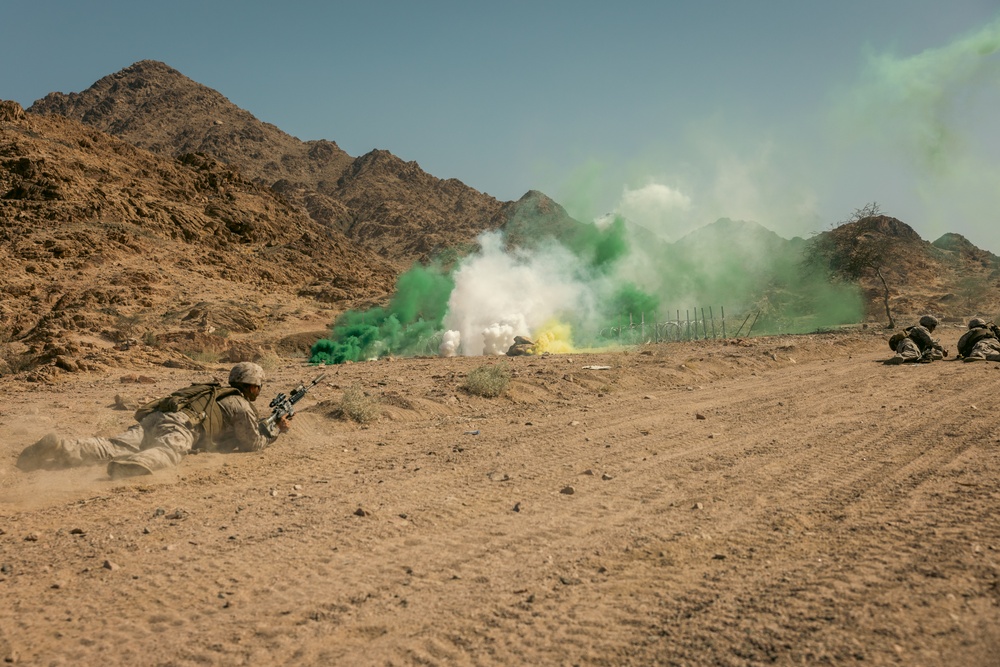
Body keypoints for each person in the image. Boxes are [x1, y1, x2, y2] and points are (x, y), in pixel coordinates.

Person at [16, 362, 291, 479]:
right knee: (170, 451)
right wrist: (277, 430)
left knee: (113, 445)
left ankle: (62, 447)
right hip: (182, 426)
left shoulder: (214, 391)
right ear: (252, 386)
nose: (259, 391)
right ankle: (134, 466)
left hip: (156, 417)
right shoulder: (239, 403)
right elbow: (252, 443)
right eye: (258, 386)